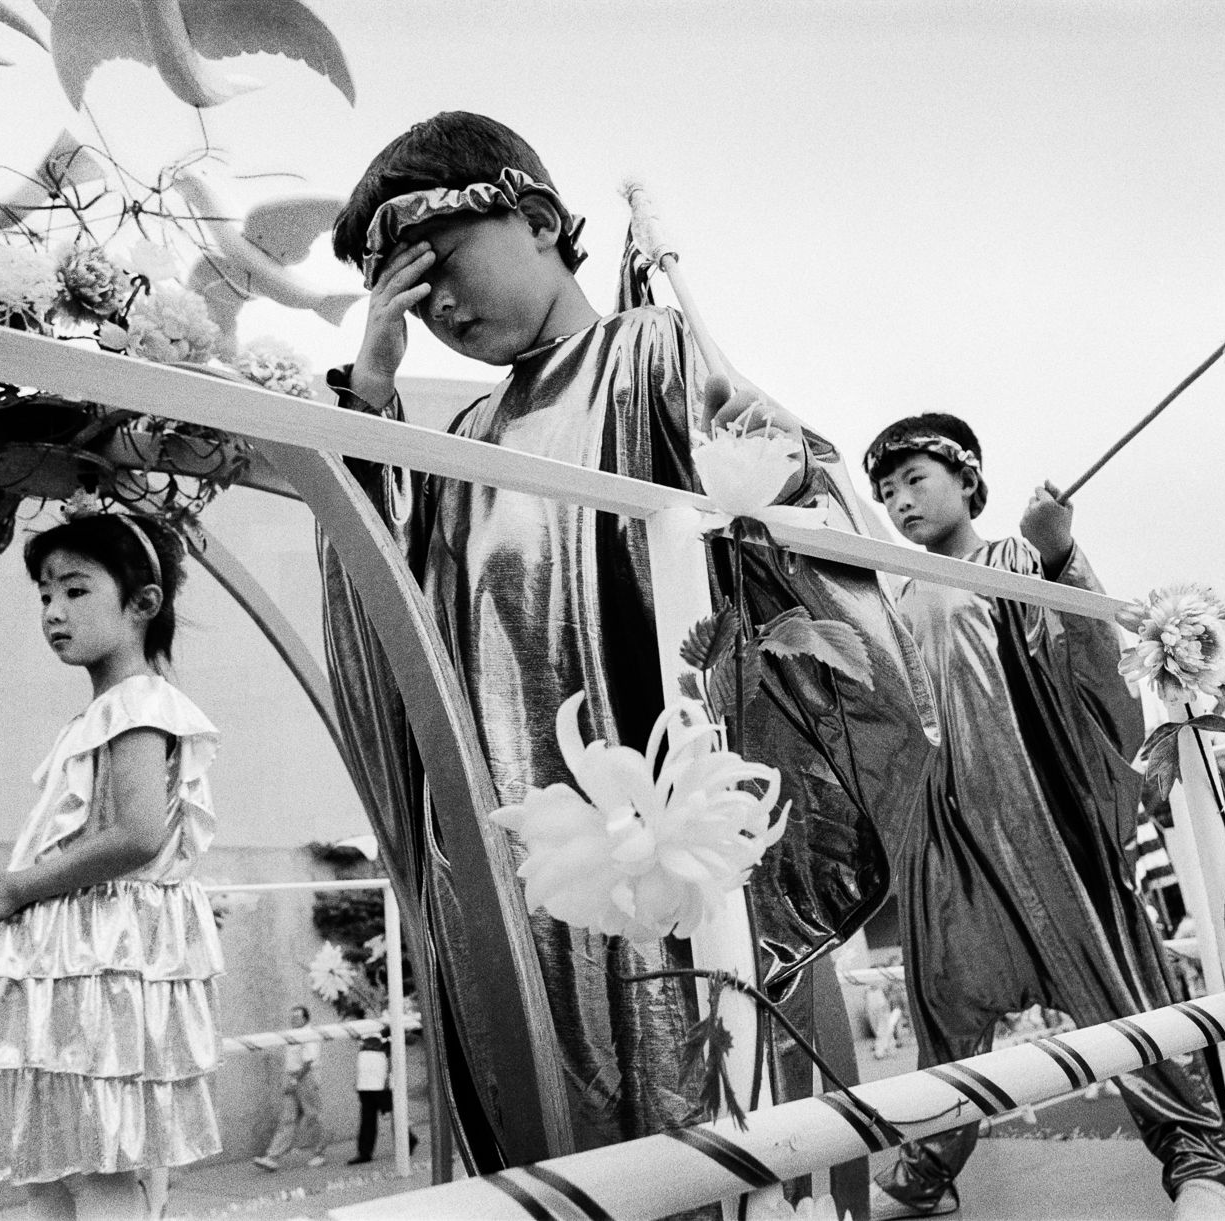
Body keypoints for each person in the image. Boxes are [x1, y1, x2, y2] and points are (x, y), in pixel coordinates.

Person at [321, 111, 935, 1171]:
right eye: (409, 301)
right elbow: (381, 621)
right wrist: (369, 395)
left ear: (539, 217)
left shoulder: (648, 351)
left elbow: (794, 521)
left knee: (693, 1114)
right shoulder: (458, 444)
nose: (441, 310)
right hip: (514, 872)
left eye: (443, 264)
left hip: (657, 854)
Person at [863, 415, 1225, 1221]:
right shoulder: (886, 587)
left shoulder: (1013, 563)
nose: (899, 502)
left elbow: (1088, 662)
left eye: (915, 480)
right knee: (943, 1003)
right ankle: (926, 1174)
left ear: (968, 481)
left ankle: (1198, 1162)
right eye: (886, 492)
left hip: (1044, 824)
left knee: (1123, 990)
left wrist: (1060, 552)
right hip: (945, 841)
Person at [0, 511, 223, 1221]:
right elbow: (67, 849)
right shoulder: (97, 715)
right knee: (55, 1168)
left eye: (74, 590)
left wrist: (14, 886)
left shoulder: (139, 704)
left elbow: (134, 835)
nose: (53, 611)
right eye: (43, 594)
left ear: (142, 604)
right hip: (74, 965)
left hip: (113, 968)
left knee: (101, 1164)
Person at [253, 1006, 329, 1171]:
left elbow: (309, 1061)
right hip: (293, 1077)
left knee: (312, 1116)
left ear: (305, 1019)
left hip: (305, 1078)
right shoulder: (293, 1035)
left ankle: (319, 1154)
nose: (293, 1020)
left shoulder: (308, 1034)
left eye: (297, 1017)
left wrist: (295, 1081)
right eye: (292, 1017)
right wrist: (290, 1080)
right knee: (288, 1118)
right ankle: (272, 1157)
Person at [348, 1035, 417, 1164]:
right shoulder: (362, 1035)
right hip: (365, 1085)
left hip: (380, 1084)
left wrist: (387, 1079)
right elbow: (362, 1060)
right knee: (367, 1119)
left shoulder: (383, 1030)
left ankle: (408, 1140)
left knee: (395, 1115)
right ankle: (364, 1153)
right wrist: (358, 1080)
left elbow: (392, 1056)